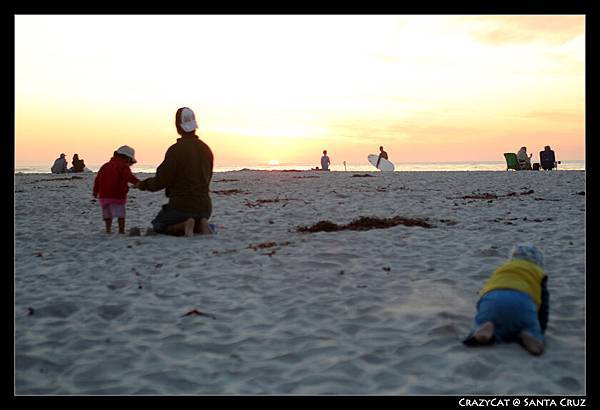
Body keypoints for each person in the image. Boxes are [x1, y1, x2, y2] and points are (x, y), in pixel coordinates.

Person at [136, 107, 214, 237]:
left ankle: (184, 225)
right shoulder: (206, 149)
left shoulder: (175, 150)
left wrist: (143, 185)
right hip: (205, 208)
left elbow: (162, 180)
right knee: (195, 218)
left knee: (158, 225)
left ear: (178, 126)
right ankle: (201, 224)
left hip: (181, 207)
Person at [463, 244, 549, 356]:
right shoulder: (539, 273)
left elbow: (485, 291)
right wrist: (540, 328)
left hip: (491, 300)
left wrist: (483, 309)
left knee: (482, 322)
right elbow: (544, 306)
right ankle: (530, 335)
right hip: (522, 302)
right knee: (529, 326)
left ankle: (484, 330)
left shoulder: (502, 269)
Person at [93, 146, 140, 234]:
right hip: (117, 195)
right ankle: (121, 230)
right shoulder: (123, 166)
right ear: (127, 158)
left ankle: (108, 230)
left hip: (104, 196)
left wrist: (95, 191)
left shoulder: (105, 166)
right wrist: (138, 183)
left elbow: (97, 180)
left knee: (107, 215)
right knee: (120, 215)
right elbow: (129, 177)